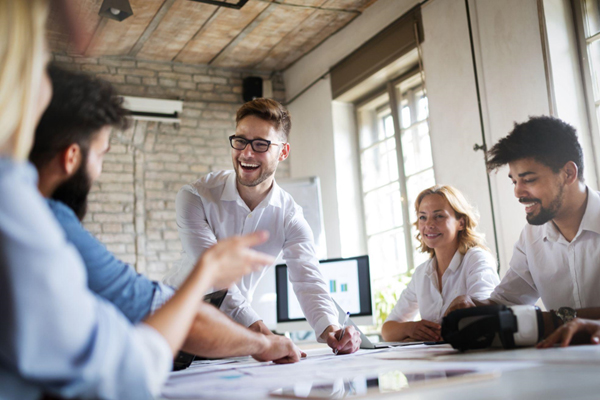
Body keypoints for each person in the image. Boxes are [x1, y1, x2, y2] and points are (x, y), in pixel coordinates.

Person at [0, 1, 284, 399]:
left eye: (260, 145)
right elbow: (125, 370)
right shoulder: (30, 216)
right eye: (39, 62)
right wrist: (209, 276)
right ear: (71, 158)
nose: (247, 154)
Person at [29, 64, 302, 362]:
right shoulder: (55, 230)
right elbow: (184, 321)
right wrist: (263, 343)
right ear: (72, 158)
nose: (99, 170)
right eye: (101, 154)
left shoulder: (21, 213)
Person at [166, 98, 361, 354]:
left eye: (260, 144)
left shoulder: (290, 217)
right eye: (240, 141)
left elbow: (308, 280)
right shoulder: (195, 197)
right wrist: (265, 337)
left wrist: (332, 330)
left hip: (231, 338)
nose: (246, 153)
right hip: (173, 327)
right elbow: (215, 275)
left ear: (283, 151)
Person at [445, 116, 600, 338]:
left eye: (529, 180)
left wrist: (554, 320)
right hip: (565, 364)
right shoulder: (531, 236)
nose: (517, 192)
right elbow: (507, 301)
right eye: (514, 181)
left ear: (568, 173)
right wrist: (475, 305)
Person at [381, 185, 499, 342]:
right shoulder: (422, 273)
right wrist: (411, 328)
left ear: (461, 223)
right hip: (439, 361)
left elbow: (484, 318)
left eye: (439, 216)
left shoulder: (476, 259)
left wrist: (423, 338)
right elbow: (387, 330)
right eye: (423, 217)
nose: (428, 224)